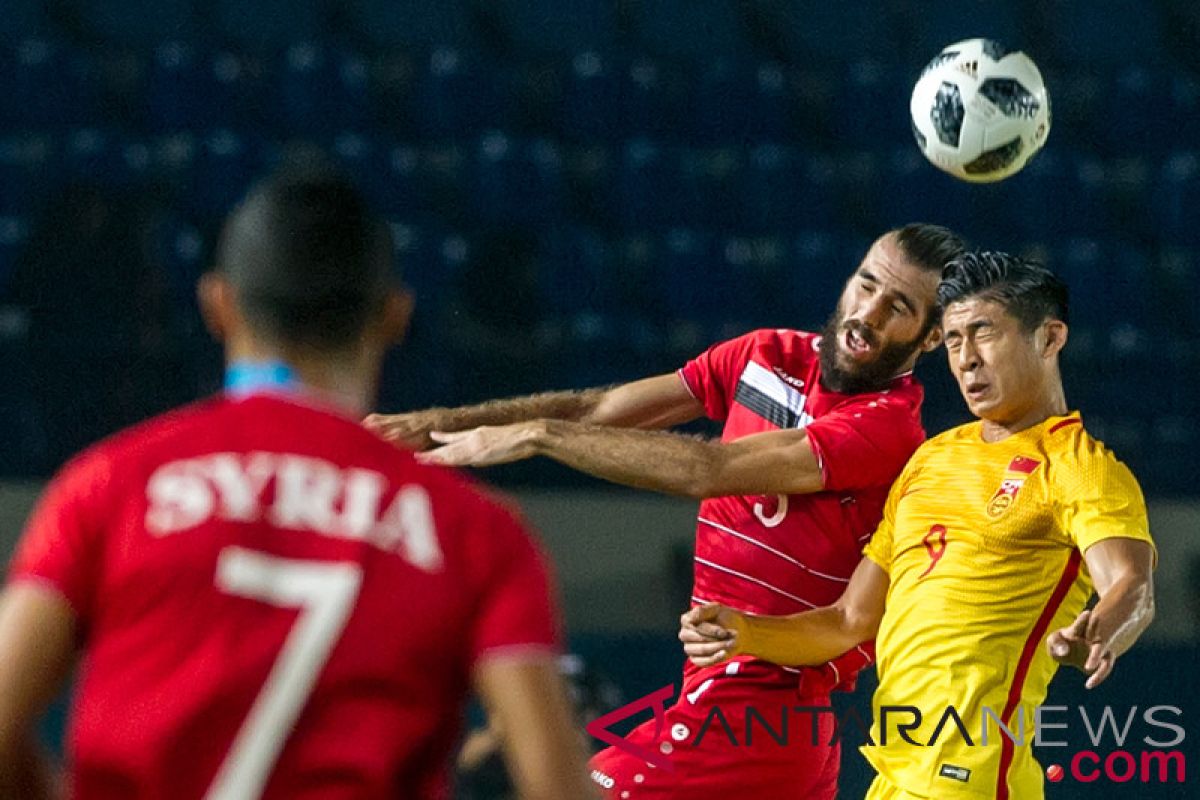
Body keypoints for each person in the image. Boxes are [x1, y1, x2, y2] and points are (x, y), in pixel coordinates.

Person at [0, 169, 595, 800]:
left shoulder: (110, 487)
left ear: (217, 305)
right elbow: (554, 787)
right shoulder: (477, 533)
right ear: (394, 316)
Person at [366, 224, 967, 799]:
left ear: (931, 337)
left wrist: (540, 436)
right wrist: (438, 424)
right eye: (866, 284)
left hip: (758, 716)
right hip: (732, 713)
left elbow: (709, 470)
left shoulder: (886, 429)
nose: (868, 314)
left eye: (898, 307)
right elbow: (602, 406)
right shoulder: (766, 354)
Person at [679, 252, 1156, 800]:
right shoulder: (932, 458)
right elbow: (849, 619)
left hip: (969, 779)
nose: (967, 359)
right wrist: (746, 632)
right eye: (953, 340)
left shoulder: (1078, 465)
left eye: (984, 333)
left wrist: (1101, 632)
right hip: (895, 775)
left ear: (1049, 339)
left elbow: (1130, 584)